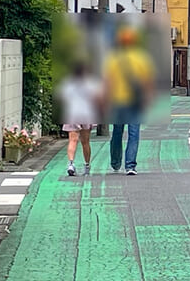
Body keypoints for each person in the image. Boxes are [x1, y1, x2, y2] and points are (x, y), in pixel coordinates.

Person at [104, 26, 156, 175]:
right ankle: (130, 165)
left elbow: (108, 81)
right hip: (135, 102)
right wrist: (148, 98)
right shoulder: (141, 58)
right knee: (134, 133)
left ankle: (115, 162)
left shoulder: (113, 58)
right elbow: (147, 81)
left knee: (117, 132)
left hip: (117, 101)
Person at [57, 62, 101, 176]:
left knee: (72, 140)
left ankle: (71, 163)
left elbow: (63, 97)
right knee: (85, 142)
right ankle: (87, 165)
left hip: (73, 113)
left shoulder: (69, 84)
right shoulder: (90, 83)